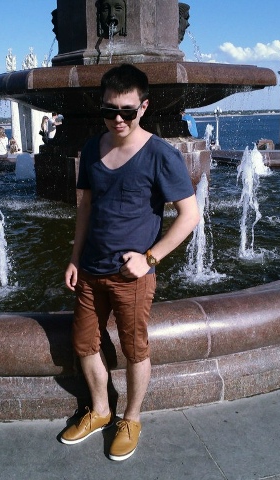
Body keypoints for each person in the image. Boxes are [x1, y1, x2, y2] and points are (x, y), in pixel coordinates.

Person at [61, 64, 200, 461]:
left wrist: (150, 258)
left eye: (127, 111)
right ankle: (100, 410)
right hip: (91, 270)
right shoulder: (92, 148)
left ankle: (132, 418)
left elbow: (190, 215)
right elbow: (86, 208)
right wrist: (74, 258)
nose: (118, 119)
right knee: (84, 342)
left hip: (131, 276)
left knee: (135, 348)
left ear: (144, 107)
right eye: (110, 110)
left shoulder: (161, 155)